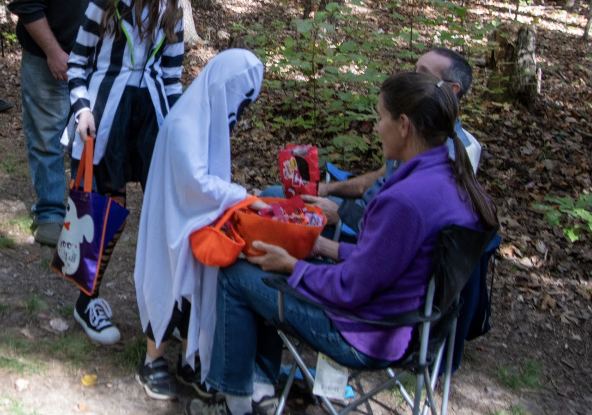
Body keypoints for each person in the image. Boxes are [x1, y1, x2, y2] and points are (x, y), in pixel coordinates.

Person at [193, 71, 500, 415]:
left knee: (237, 274)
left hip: (365, 333)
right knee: (268, 260)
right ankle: (261, 386)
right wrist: (326, 248)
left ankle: (234, 404)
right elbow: (390, 260)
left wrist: (292, 266)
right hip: (419, 325)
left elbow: (350, 288)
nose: (375, 127)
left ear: (403, 125)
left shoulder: (404, 201)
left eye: (380, 117)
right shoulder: (453, 178)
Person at [60, 0, 187, 345]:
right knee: (102, 211)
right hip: (106, 116)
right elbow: (77, 62)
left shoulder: (174, 6)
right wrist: (81, 108)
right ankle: (86, 300)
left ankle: (173, 306)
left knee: (165, 214)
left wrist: (177, 126)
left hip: (152, 118)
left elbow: (172, 75)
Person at [9, 0, 137, 247]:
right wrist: (53, 52)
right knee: (47, 135)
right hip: (48, 53)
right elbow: (27, 3)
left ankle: (84, 211)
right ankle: (49, 211)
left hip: (103, 62)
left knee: (91, 137)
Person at [134, 49, 265, 401]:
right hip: (173, 220)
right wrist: (243, 197)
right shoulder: (184, 123)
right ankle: (152, 360)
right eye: (242, 100)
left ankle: (191, 360)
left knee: (199, 284)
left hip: (198, 220)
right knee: (167, 282)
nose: (241, 111)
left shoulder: (207, 115)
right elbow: (196, 181)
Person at [263, 47, 483, 235]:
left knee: (269, 206)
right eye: (414, 70)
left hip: (363, 229)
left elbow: (395, 239)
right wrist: (328, 189)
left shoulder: (441, 156)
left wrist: (338, 215)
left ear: (451, 90)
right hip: (363, 215)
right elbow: (381, 176)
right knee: (272, 196)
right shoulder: (416, 132)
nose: (412, 78)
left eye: (423, 74)